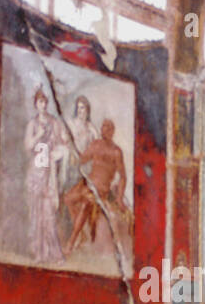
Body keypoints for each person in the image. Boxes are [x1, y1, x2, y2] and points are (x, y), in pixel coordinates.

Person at [64, 118, 129, 256]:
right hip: (87, 183)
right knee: (68, 199)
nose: (104, 129)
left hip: (101, 189)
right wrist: (71, 146)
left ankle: (72, 240)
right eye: (103, 126)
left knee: (86, 203)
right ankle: (81, 233)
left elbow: (123, 176)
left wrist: (119, 198)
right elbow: (82, 159)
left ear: (112, 131)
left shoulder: (116, 152)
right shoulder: (95, 145)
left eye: (108, 127)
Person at [23, 87, 67, 264]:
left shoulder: (54, 123)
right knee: (36, 214)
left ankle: (54, 254)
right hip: (36, 173)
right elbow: (27, 146)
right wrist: (38, 136)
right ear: (35, 105)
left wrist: (62, 145)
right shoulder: (32, 124)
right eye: (39, 102)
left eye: (44, 102)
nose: (42, 105)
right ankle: (39, 253)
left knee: (49, 213)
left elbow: (62, 142)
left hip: (49, 173)